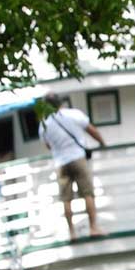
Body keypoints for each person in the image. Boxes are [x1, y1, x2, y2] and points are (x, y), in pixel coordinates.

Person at [39, 92, 106, 239]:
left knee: (66, 198)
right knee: (87, 193)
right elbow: (91, 130)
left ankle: (72, 232)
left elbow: (48, 145)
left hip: (60, 163)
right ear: (61, 102)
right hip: (77, 158)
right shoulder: (74, 114)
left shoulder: (44, 123)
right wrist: (102, 142)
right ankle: (93, 228)